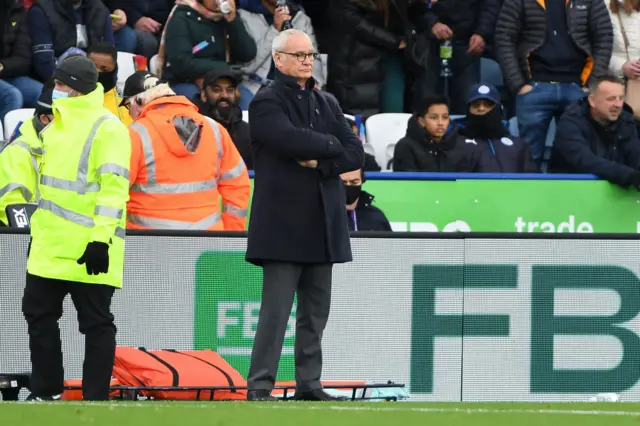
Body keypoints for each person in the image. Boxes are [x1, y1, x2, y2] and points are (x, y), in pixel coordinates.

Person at [245, 28, 364, 402]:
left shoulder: (326, 102)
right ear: (278, 59)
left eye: (310, 54)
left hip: (324, 224)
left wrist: (320, 162)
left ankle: (309, 385)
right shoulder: (266, 101)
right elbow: (286, 138)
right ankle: (260, 385)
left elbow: (354, 152)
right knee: (275, 314)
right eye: (299, 55)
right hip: (283, 226)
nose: (307, 60)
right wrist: (330, 149)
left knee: (314, 316)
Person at [22, 55, 131, 401]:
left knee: (96, 323)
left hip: (89, 247)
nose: (55, 90)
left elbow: (114, 189)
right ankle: (46, 392)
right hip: (49, 245)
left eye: (60, 85)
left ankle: (95, 399)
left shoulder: (109, 128)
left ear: (75, 88)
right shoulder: (55, 127)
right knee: (38, 317)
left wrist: (100, 240)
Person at [122, 71, 251, 231]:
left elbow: (114, 192)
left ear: (139, 101)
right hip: (207, 244)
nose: (129, 113)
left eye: (129, 106)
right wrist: (231, 234)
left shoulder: (134, 135)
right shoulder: (214, 129)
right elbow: (237, 184)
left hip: (148, 245)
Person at [495, 0, 613, 168]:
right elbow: (504, 37)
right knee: (528, 161)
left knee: (576, 160)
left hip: (577, 89)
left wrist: (592, 83)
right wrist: (518, 84)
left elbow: (604, 36)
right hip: (533, 87)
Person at [549, 76, 640, 187]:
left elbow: (635, 156)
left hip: (616, 190)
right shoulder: (570, 123)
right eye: (611, 99)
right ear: (592, 101)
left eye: (621, 98)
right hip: (571, 188)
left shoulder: (626, 120)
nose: (618, 105)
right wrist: (630, 176)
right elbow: (585, 161)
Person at [159, 0, 257, 101]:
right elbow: (181, 62)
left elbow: (248, 54)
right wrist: (223, 67)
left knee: (249, 102)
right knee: (198, 102)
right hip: (187, 81)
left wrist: (233, 21)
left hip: (224, 81)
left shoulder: (225, 17)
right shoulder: (182, 17)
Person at [415, 0, 501, 114]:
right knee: (429, 105)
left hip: (467, 45)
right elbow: (415, 7)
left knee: (466, 103)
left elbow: (490, 5)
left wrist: (481, 33)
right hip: (430, 46)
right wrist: (432, 23)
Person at [237, 0, 323, 110]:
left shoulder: (300, 18)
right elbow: (248, 66)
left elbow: (313, 56)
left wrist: (313, 80)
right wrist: (275, 29)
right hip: (254, 86)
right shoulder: (244, 16)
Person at [0, 82, 54, 226]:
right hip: (31, 238)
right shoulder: (18, 152)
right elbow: (12, 209)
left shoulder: (74, 146)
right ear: (44, 118)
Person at [28, 0, 115, 82]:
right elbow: (44, 64)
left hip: (92, 80)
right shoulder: (41, 10)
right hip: (55, 81)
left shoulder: (100, 9)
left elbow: (111, 57)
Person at [457, 84, 536, 173]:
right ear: (468, 110)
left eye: (488, 104)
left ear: (499, 109)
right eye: (476, 105)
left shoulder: (518, 145)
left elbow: (534, 179)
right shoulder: (457, 143)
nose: (481, 108)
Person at [392, 95, 480, 172]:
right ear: (421, 121)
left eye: (445, 117)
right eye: (434, 118)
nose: (440, 123)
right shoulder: (406, 147)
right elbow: (407, 185)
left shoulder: (463, 146)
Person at [198, 68, 252, 169]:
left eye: (230, 90)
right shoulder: (192, 129)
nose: (224, 95)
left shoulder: (246, 132)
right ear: (203, 95)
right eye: (216, 90)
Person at [0, 0, 43, 120]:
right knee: (12, 96)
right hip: (6, 78)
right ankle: (7, 138)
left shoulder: (17, 11)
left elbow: (23, 58)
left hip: (7, 73)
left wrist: (4, 65)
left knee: (43, 93)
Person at [86, 42, 132, 125]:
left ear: (115, 69)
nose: (98, 72)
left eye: (105, 69)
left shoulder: (125, 107)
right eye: (92, 67)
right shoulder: (69, 98)